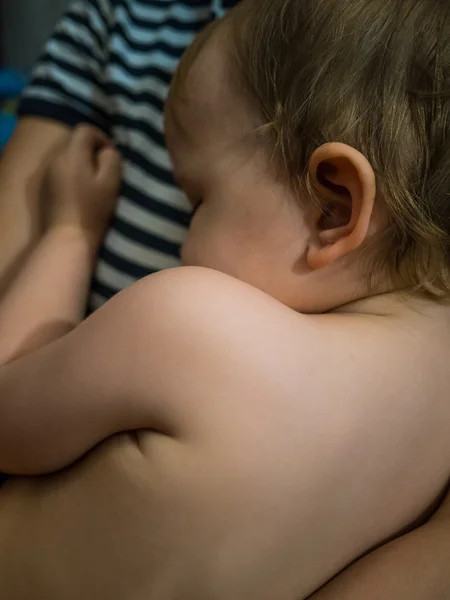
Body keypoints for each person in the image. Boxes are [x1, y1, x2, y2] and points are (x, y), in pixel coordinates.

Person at [1, 0, 450, 598]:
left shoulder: (189, 324)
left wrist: (69, 233)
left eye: (198, 200)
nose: (182, 245)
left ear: (333, 207)